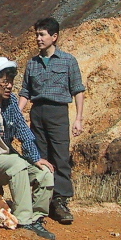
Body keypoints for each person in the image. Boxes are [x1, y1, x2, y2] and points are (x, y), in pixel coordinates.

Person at [0, 57, 56, 240]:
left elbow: (23, 130)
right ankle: (24, 220)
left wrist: (35, 157)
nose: (9, 86)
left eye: (11, 81)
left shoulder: (11, 101)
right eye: (4, 81)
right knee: (17, 164)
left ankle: (36, 217)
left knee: (44, 172)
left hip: (7, 156)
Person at [19, 17, 85, 225]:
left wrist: (79, 119)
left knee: (60, 156)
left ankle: (60, 201)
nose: (38, 38)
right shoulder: (32, 63)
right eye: (37, 34)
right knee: (39, 156)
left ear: (54, 37)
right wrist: (18, 113)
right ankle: (41, 200)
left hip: (58, 113)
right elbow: (25, 91)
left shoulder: (68, 61)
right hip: (37, 113)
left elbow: (78, 90)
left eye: (42, 34)